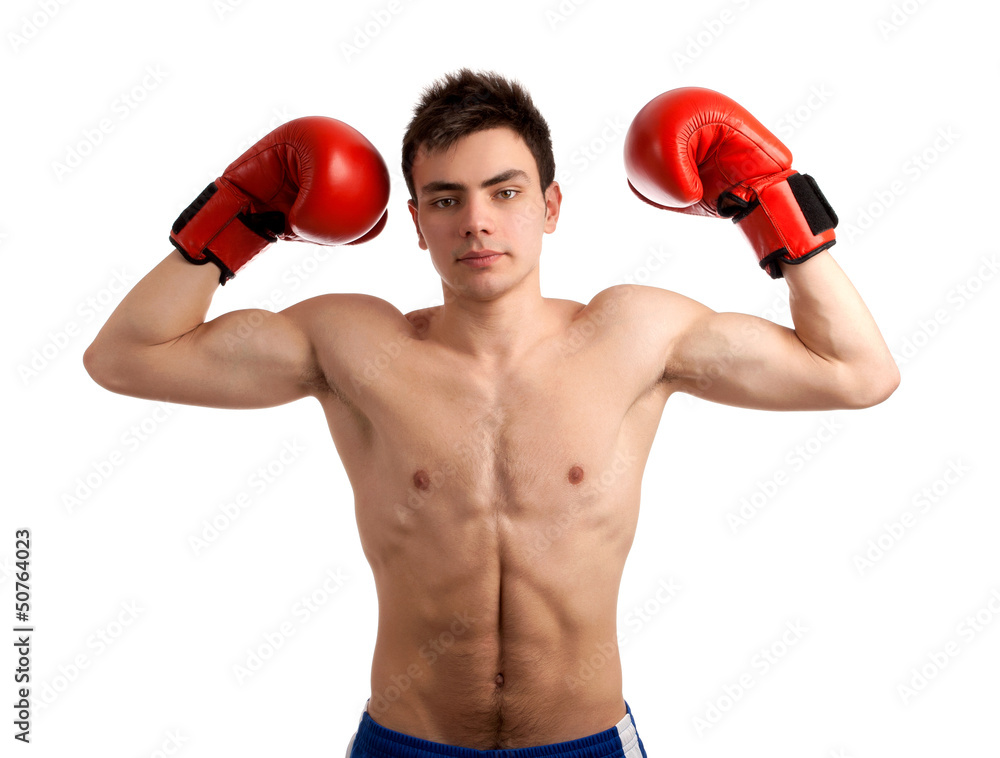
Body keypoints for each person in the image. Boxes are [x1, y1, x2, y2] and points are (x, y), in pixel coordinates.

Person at [83, 69, 899, 757]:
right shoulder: (353, 344)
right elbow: (123, 357)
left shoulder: (633, 333)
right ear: (414, 223)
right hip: (407, 740)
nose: (475, 221)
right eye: (444, 199)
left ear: (549, 205)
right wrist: (238, 217)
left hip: (586, 742)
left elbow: (859, 372)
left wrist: (771, 200)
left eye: (504, 192)